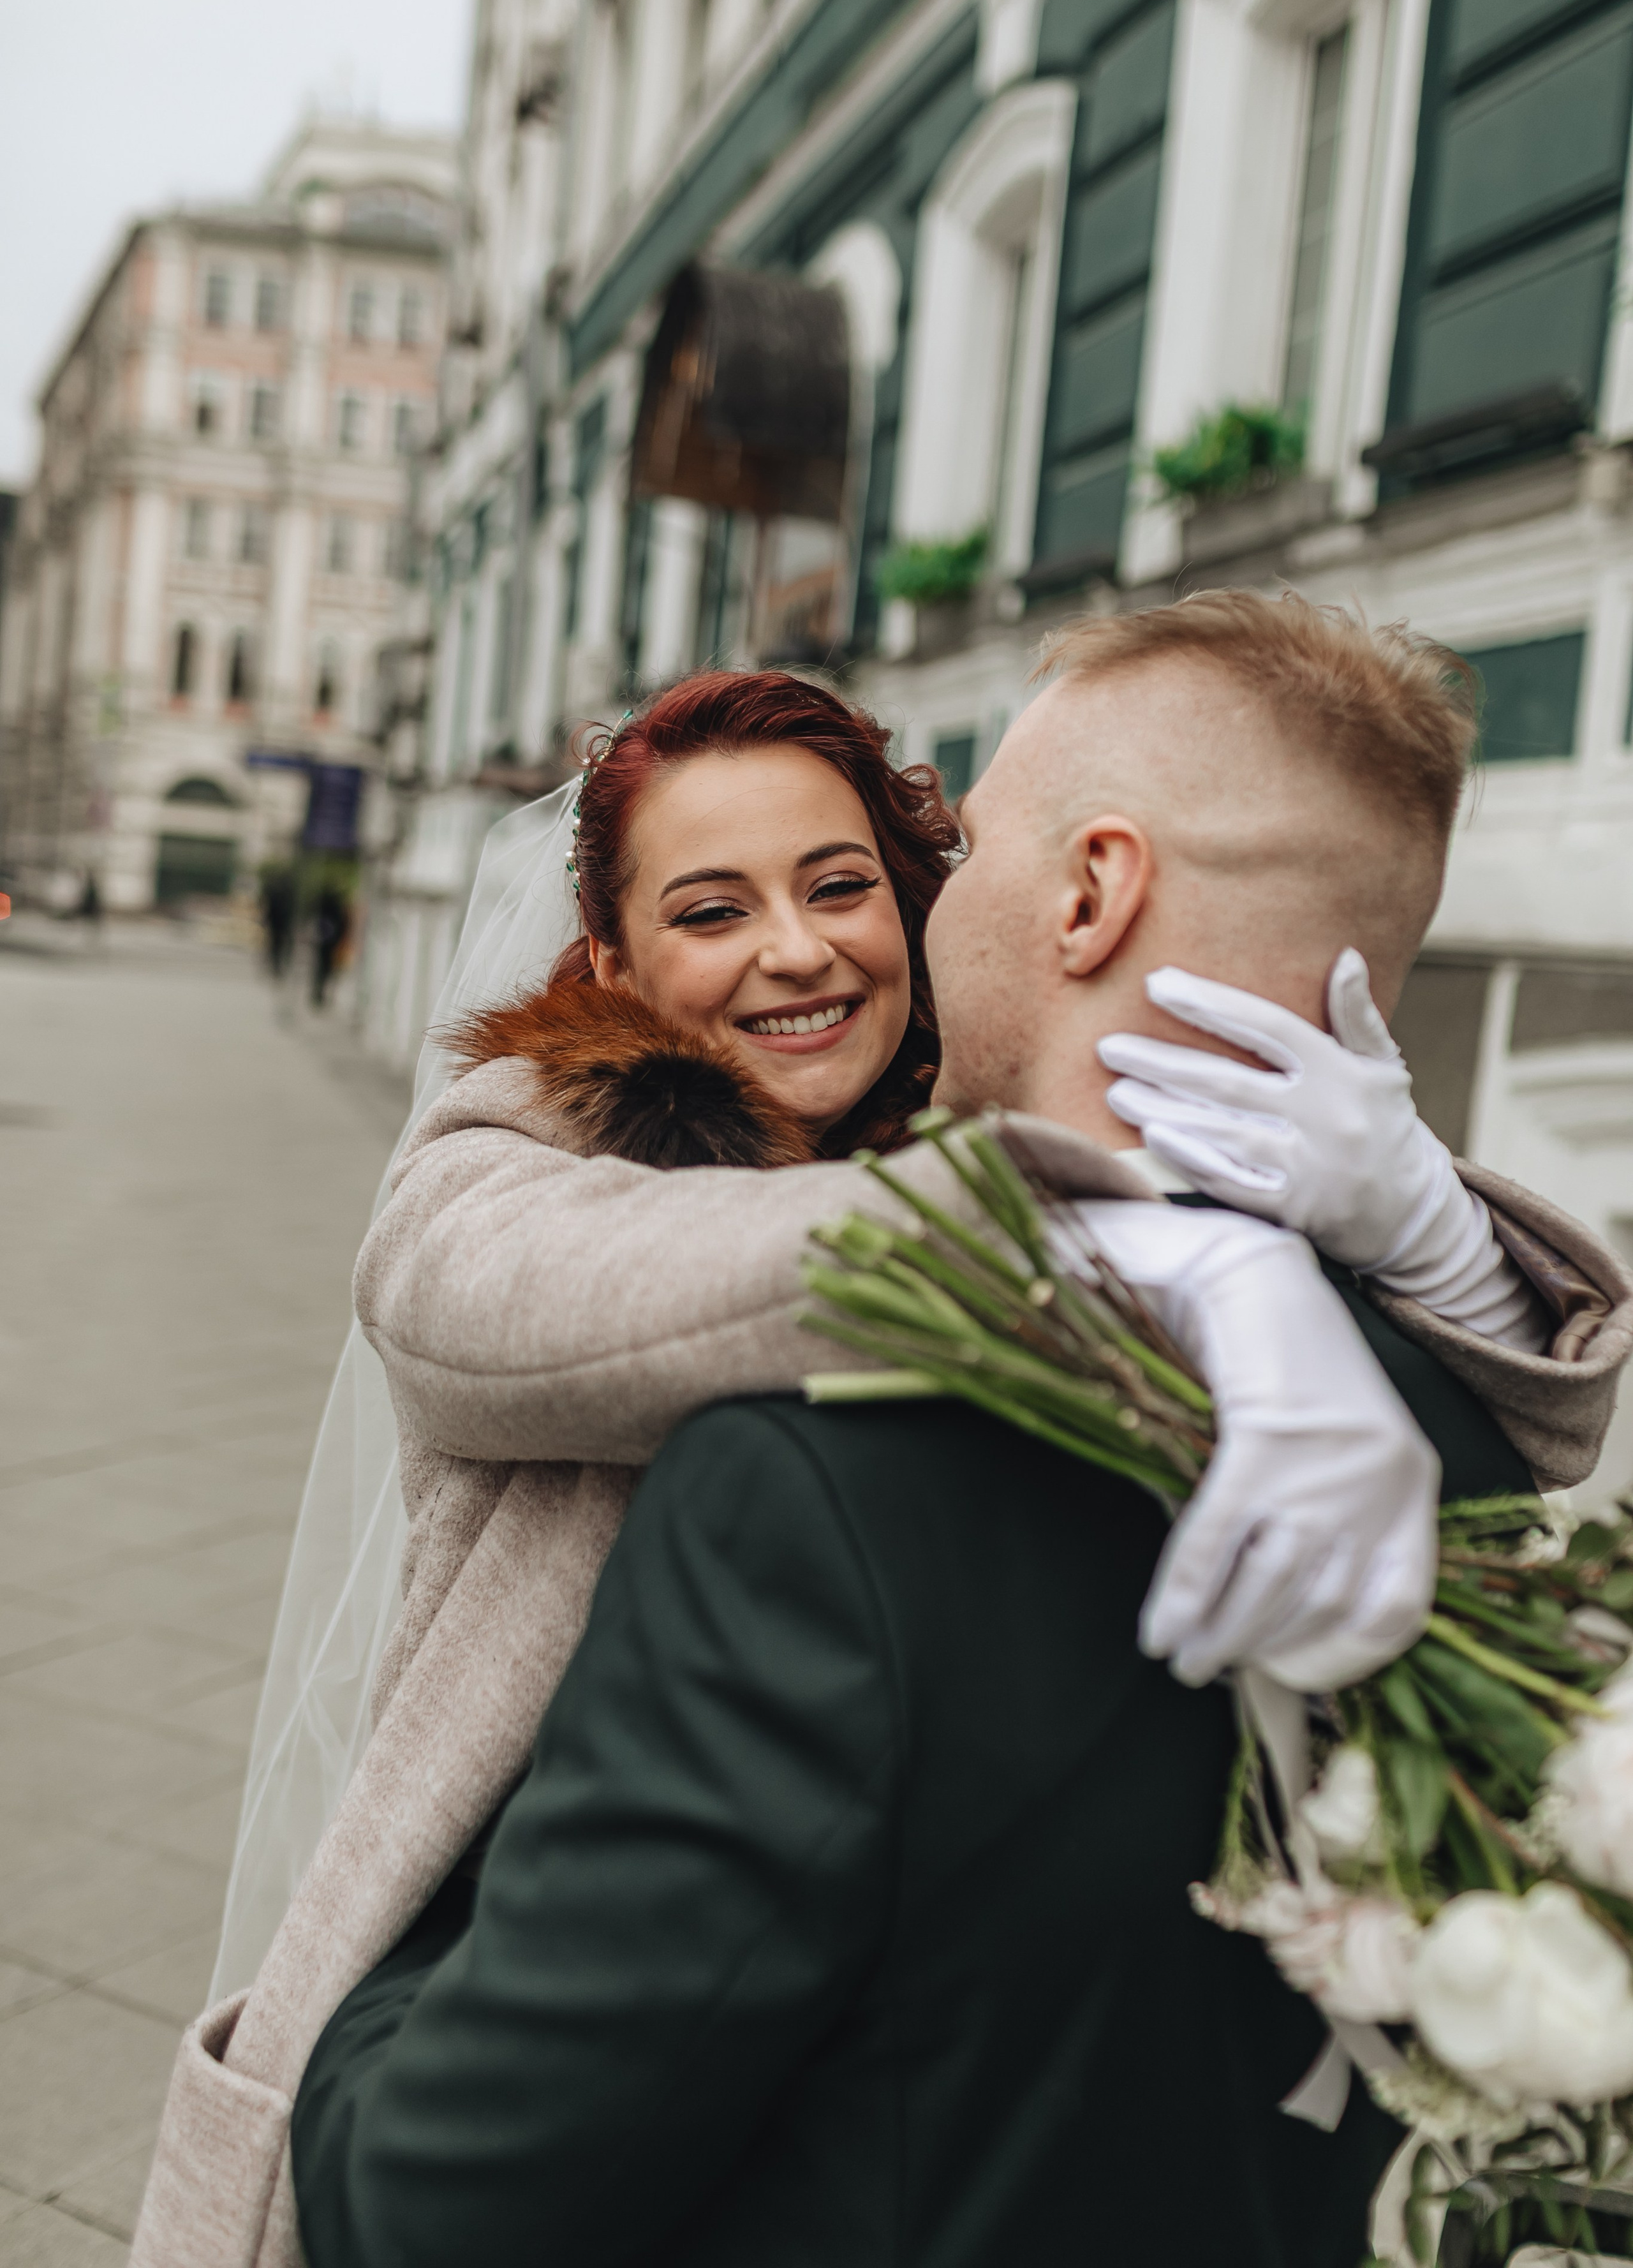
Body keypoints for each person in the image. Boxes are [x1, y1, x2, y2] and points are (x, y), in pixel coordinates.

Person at [131, 632, 1632, 2268]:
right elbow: (516, 1291)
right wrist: (1126, 1241)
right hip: (542, 1944)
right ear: (614, 968)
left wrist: (1424, 1231)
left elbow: (1530, 1413)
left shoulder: (1003, 1142)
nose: (793, 950)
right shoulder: (518, 1172)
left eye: (842, 882)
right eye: (709, 910)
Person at [260, 862, 296, 980]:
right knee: (278, 945)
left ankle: (276, 965)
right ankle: (276, 965)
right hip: (281, 923)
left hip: (279, 923)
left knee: (277, 945)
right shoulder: (287, 893)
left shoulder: (280, 892)